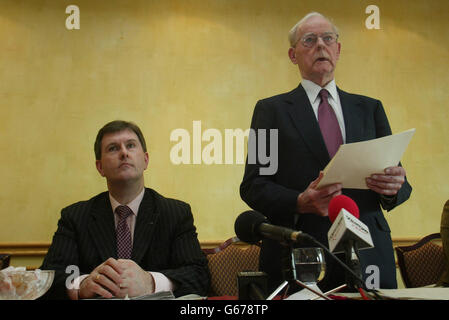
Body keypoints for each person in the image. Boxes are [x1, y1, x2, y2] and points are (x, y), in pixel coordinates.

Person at [240, 12, 412, 292]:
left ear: (338, 49)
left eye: (328, 38)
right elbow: (253, 186)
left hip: (368, 254)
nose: (320, 45)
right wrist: (299, 200)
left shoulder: (370, 109)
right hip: (300, 253)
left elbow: (400, 186)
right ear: (293, 55)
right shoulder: (270, 111)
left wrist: (393, 186)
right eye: (309, 40)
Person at [40, 120, 210, 299]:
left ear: (145, 160)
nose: (123, 152)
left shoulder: (175, 213)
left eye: (130, 145)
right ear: (100, 167)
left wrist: (150, 282)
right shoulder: (75, 217)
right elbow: (48, 277)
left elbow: (198, 275)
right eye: (113, 148)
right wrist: (81, 284)